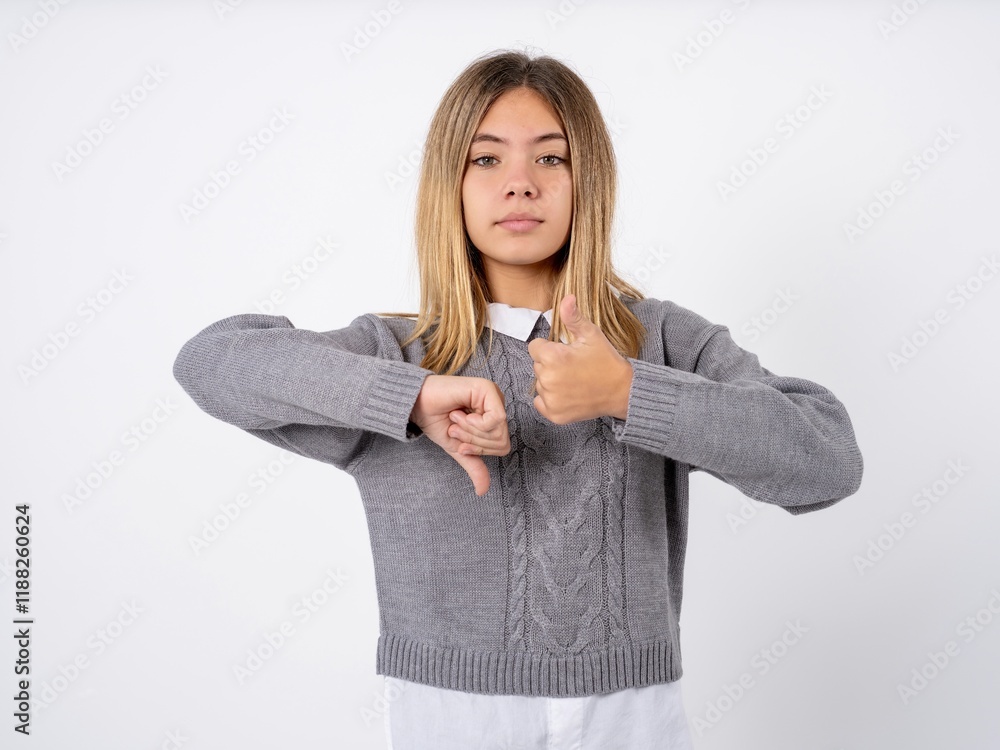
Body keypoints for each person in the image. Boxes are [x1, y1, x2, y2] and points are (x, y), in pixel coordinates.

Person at [172, 48, 864, 750]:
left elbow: (829, 459)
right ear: (452, 184)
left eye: (551, 159)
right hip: (451, 711)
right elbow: (212, 361)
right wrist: (411, 396)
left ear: (585, 180)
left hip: (631, 711)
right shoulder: (401, 354)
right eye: (487, 159)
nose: (521, 185)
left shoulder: (657, 340)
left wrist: (628, 392)